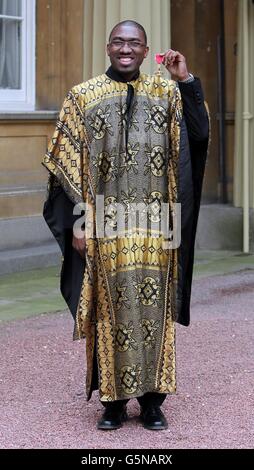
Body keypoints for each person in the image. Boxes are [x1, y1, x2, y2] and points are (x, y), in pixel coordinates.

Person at [42, 20, 209, 431]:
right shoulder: (83, 97)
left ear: (145, 47)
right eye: (119, 41)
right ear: (107, 46)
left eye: (134, 42)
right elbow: (67, 166)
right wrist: (80, 223)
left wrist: (185, 79)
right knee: (108, 312)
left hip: (156, 225)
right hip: (106, 226)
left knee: (155, 310)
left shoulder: (165, 92)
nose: (126, 48)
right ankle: (112, 403)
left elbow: (199, 135)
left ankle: (153, 402)